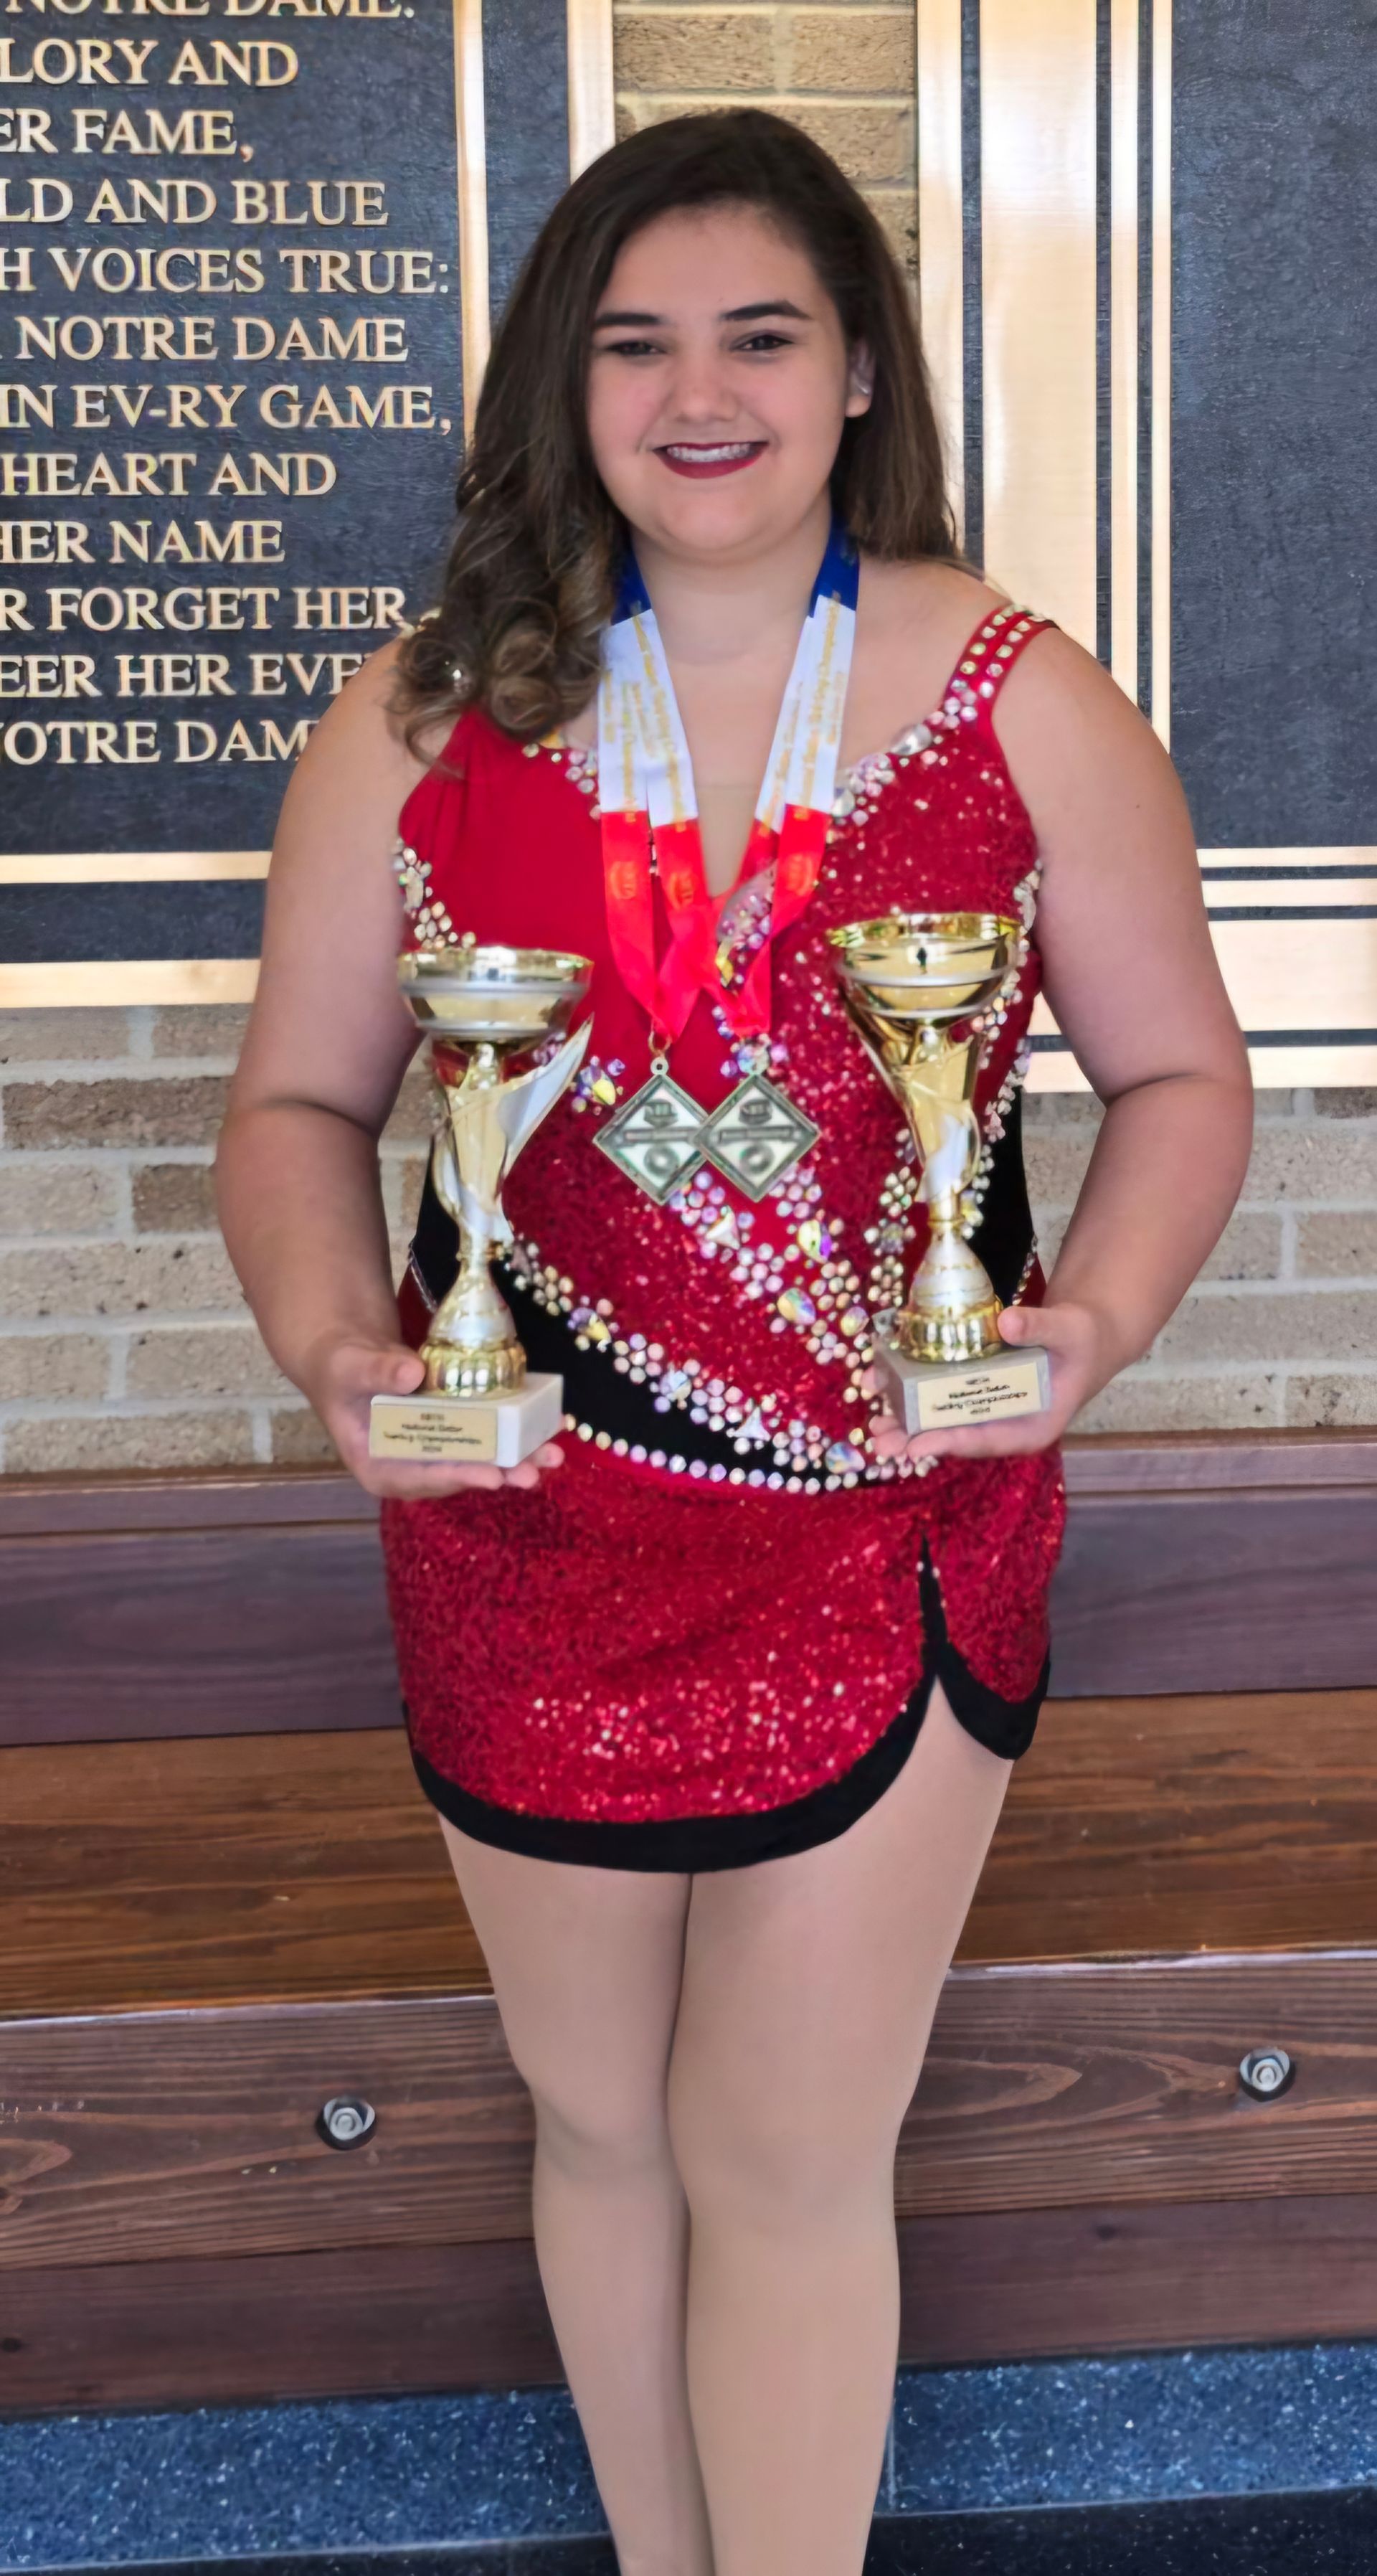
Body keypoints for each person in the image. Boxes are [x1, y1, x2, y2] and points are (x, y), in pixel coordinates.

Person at [217, 106, 1252, 2576]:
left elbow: (1189, 1079)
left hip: (882, 1525)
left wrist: (1081, 1323)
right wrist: (345, 1348)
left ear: (859, 374)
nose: (701, 392)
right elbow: (295, 1096)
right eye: (634, 341)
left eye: (760, 335)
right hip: (528, 1522)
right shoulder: (427, 711)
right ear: (562, 389)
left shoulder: (1021, 697)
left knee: (784, 2153)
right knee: (599, 2132)